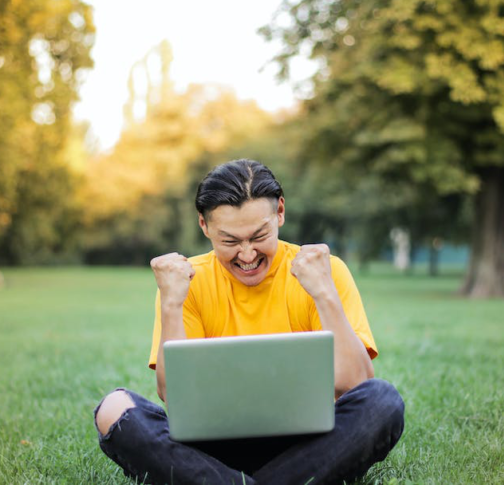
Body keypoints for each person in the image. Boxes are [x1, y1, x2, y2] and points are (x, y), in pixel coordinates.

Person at [94, 159, 404, 484]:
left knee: (382, 400)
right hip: (211, 448)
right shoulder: (184, 281)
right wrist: (172, 303)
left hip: (308, 445)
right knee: (113, 408)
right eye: (230, 241)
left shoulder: (323, 271)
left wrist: (324, 293)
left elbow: (358, 385)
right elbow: (173, 393)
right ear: (204, 225)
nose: (246, 255)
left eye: (259, 236)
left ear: (280, 212)